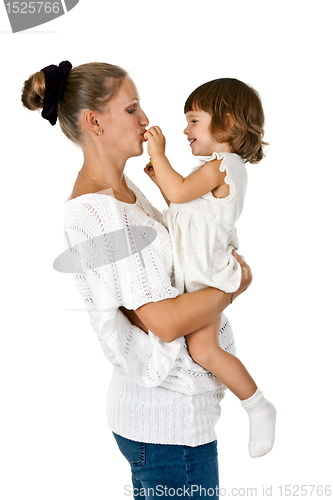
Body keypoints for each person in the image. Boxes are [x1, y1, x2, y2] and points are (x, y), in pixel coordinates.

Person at [21, 62, 253, 499]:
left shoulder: (124, 191)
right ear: (94, 121)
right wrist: (233, 283)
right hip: (168, 427)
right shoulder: (97, 210)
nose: (146, 119)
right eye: (131, 108)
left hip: (177, 422)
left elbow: (177, 272)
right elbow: (164, 321)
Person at [143, 78, 276, 459]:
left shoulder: (224, 165)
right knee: (202, 349)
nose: (186, 130)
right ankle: (254, 404)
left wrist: (160, 153)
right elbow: (181, 201)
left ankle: (257, 405)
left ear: (227, 122)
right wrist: (162, 179)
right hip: (196, 277)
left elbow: (181, 192)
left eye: (193, 121)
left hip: (208, 277)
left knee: (204, 350)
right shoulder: (213, 170)